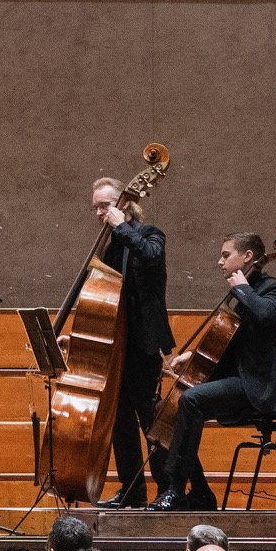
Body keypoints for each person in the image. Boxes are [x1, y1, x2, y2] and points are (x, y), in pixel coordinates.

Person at [154, 232, 276, 512]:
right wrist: (194, 356)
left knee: (191, 400)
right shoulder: (244, 296)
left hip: (263, 385)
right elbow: (231, 346)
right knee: (167, 407)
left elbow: (266, 315)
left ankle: (175, 490)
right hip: (243, 381)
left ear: (248, 256)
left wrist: (243, 289)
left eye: (226, 255)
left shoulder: (273, 289)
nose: (220, 261)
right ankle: (200, 492)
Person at [83, 174, 173, 508]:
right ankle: (132, 491)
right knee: (120, 420)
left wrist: (121, 226)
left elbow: (150, 256)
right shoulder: (110, 247)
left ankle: (167, 490)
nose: (99, 213)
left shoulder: (150, 235)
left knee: (151, 421)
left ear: (126, 203)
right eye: (96, 208)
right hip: (115, 344)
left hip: (143, 343)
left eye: (105, 205)